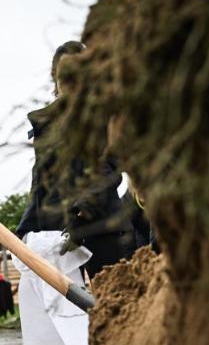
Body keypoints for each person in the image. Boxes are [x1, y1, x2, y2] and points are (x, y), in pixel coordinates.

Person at [15, 40, 136, 281]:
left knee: (114, 302)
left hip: (103, 229)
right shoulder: (45, 124)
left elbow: (109, 169)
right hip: (58, 236)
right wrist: (25, 229)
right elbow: (40, 181)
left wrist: (82, 211)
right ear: (55, 80)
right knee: (66, 313)